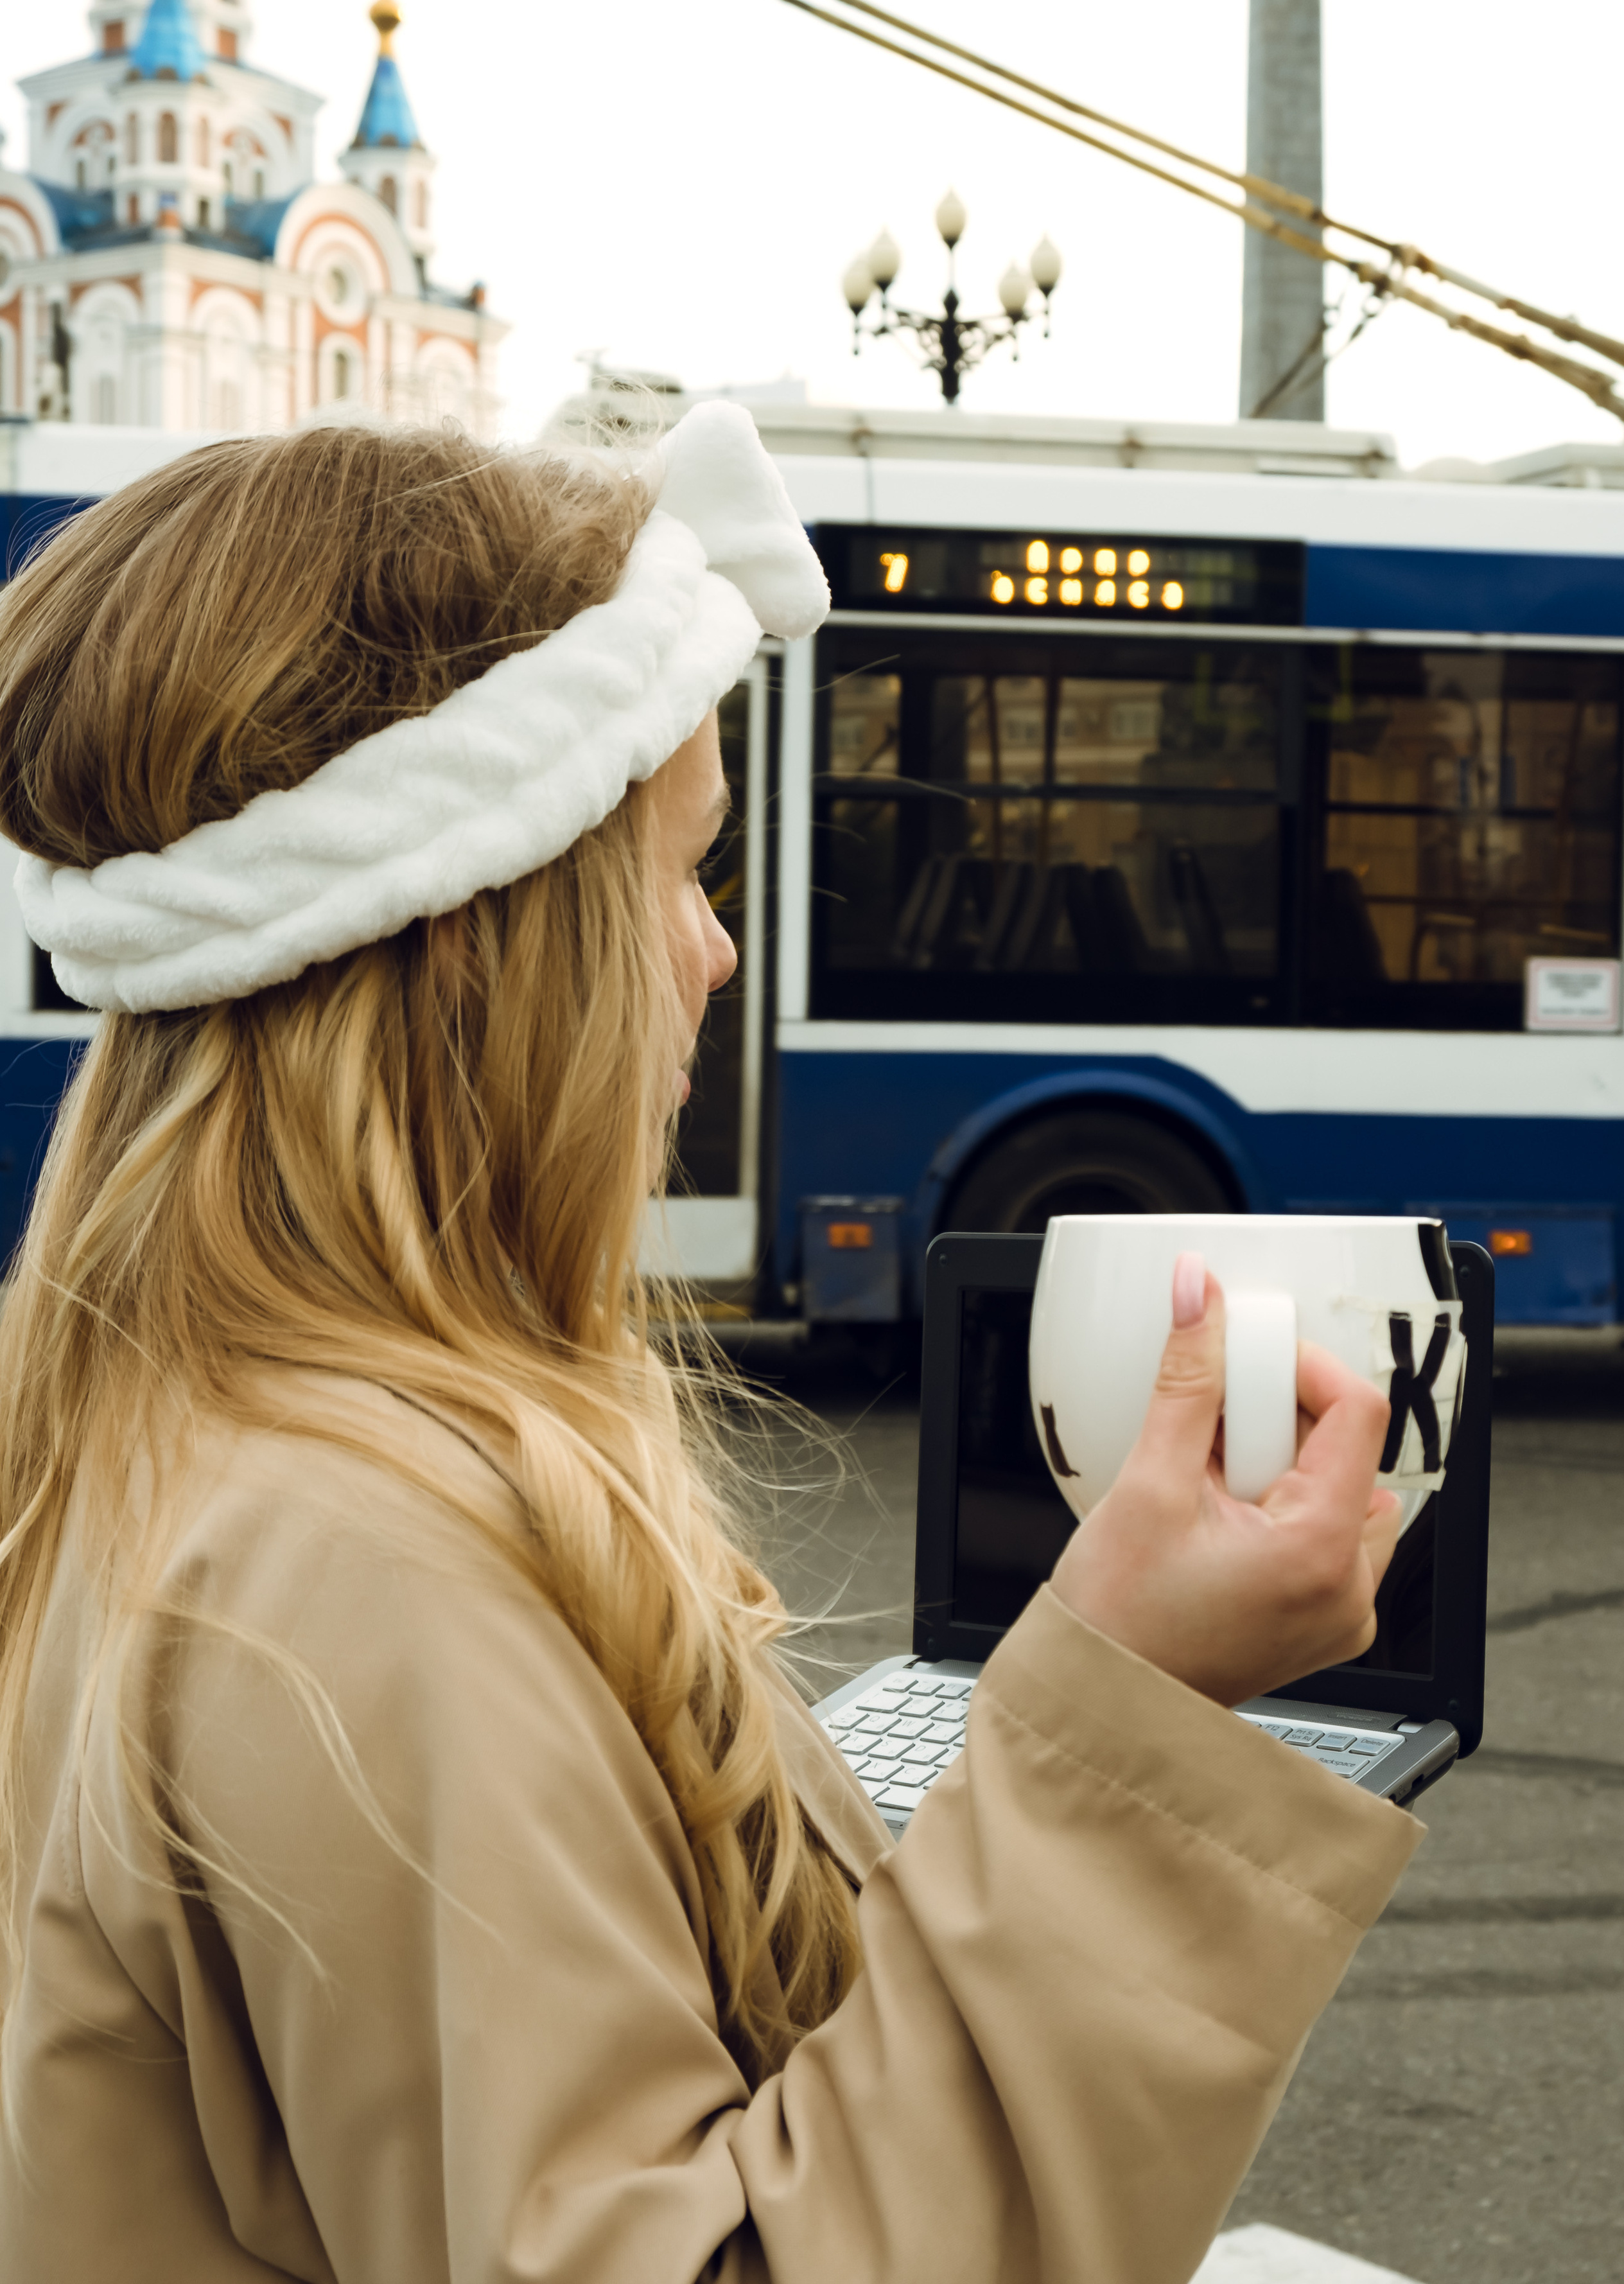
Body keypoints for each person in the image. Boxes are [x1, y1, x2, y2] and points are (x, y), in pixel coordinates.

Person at [0, 403, 1411, 2284]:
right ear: (476, 939)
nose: (717, 953)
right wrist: (1129, 1722)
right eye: (680, 874)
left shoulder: (173, 1435)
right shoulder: (358, 1565)